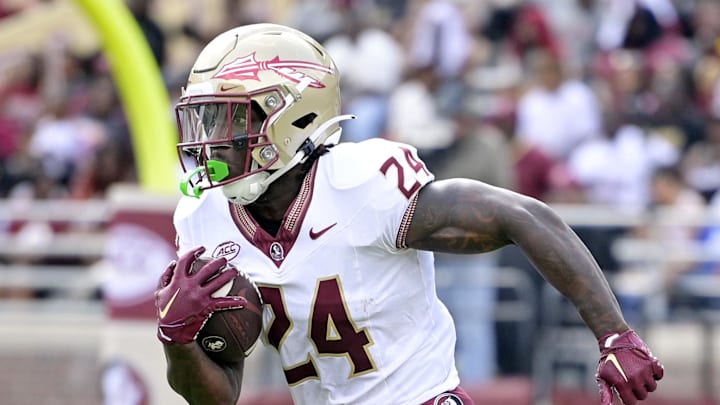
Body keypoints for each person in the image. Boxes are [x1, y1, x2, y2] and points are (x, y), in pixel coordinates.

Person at [154, 23, 664, 405]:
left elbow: (520, 214)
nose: (212, 138)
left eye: (229, 118)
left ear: (294, 115)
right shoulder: (202, 218)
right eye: (204, 117)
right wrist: (176, 339)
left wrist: (613, 331)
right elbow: (215, 397)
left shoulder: (363, 183)